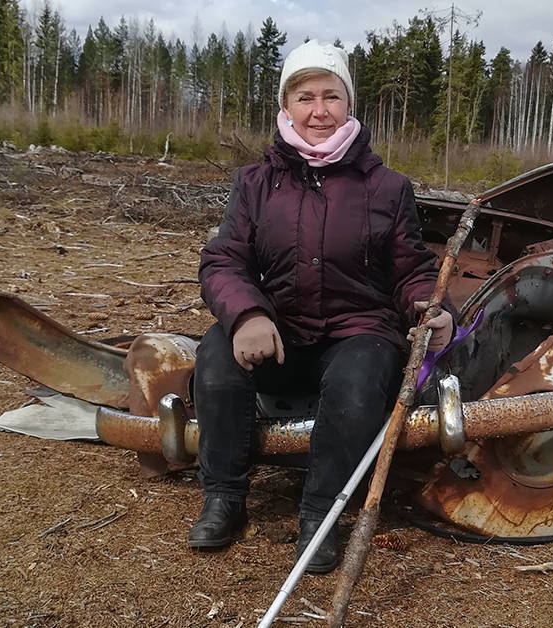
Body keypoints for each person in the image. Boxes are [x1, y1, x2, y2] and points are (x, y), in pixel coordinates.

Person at [191, 40, 455, 574]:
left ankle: (321, 516)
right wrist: (247, 315)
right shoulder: (254, 183)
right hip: (278, 329)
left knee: (359, 383)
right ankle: (224, 497)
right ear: (285, 108)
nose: (319, 110)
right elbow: (223, 262)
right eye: (305, 97)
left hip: (359, 329)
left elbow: (411, 270)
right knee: (216, 358)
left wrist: (430, 306)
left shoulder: (387, 187)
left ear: (349, 105)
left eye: (331, 96)